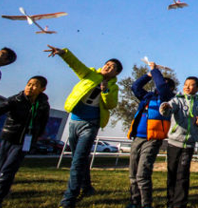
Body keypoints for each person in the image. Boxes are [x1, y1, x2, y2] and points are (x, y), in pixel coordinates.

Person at [45, 45, 121, 208]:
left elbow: (111, 105)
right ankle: (86, 187)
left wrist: (106, 91)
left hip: (90, 123)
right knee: (78, 158)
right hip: (74, 121)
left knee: (78, 159)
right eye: (107, 64)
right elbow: (76, 64)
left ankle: (69, 198)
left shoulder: (113, 87)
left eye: (112, 67)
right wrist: (64, 53)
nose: (108, 67)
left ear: (116, 74)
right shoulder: (90, 74)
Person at [126, 61, 176, 208]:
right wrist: (148, 74)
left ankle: (146, 203)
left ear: (171, 88)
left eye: (165, 83)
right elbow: (135, 87)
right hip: (138, 137)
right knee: (133, 174)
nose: (159, 84)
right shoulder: (147, 97)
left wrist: (154, 70)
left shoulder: (168, 98)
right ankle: (134, 202)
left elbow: (162, 86)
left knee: (142, 174)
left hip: (153, 139)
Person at [0, 76, 50, 207]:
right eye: (28, 84)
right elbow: (2, 108)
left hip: (23, 143)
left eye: (34, 85)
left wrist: (35, 136)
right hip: (8, 138)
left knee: (7, 171)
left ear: (42, 89)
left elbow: (43, 122)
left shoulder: (43, 105)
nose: (30, 87)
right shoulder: (16, 99)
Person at [159, 76, 198, 208]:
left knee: (183, 174)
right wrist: (165, 107)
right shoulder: (177, 100)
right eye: (186, 84)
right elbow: (168, 109)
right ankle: (171, 201)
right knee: (172, 172)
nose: (187, 87)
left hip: (189, 144)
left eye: (191, 85)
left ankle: (180, 204)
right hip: (174, 143)